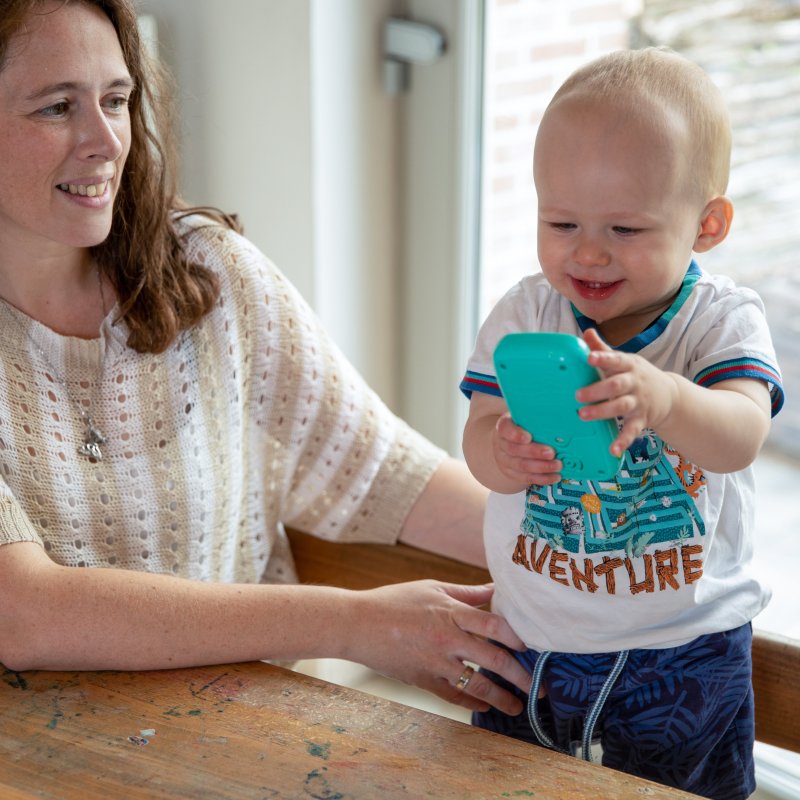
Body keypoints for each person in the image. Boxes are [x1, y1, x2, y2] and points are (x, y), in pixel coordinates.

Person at [0, 0, 533, 718]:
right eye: (57, 107)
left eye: (117, 100)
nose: (105, 141)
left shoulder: (208, 273)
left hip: (244, 740)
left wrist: (597, 547)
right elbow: (24, 613)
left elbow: (379, 471)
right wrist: (357, 623)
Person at [460, 47, 784, 799]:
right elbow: (478, 434)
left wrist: (667, 399)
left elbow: (741, 435)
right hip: (531, 639)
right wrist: (502, 453)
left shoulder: (720, 322)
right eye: (561, 221)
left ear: (707, 225)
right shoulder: (526, 313)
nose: (588, 251)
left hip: (684, 652)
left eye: (626, 229)